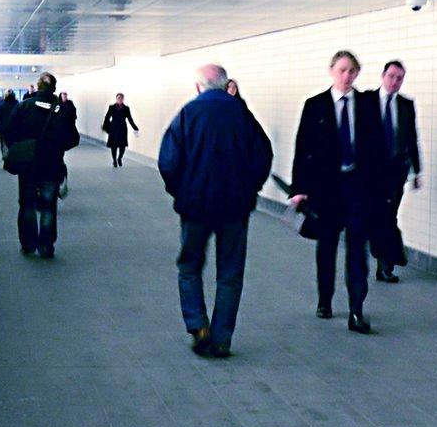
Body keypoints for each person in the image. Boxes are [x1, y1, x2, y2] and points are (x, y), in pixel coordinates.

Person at [158, 64, 272, 358]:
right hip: (235, 207)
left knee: (190, 266)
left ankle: (199, 326)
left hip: (195, 206)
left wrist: (181, 192)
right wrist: (249, 191)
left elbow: (168, 162)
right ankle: (222, 338)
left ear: (198, 86)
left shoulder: (187, 113)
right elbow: (263, 156)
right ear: (225, 85)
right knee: (230, 272)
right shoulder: (242, 114)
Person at [290, 50, 384, 334]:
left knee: (358, 248)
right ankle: (325, 299)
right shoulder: (315, 105)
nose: (347, 76)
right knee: (327, 245)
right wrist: (299, 189)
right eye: (342, 70)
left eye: (352, 71)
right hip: (325, 189)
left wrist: (380, 189)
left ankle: (357, 309)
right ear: (331, 71)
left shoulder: (368, 104)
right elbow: (302, 148)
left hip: (357, 188)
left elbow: (377, 148)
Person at [0, 74, 79, 258]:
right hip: (52, 164)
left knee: (27, 204)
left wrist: (21, 147)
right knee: (49, 206)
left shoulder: (24, 106)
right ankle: (46, 246)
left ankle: (28, 244)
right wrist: (57, 148)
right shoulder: (62, 110)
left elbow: (9, 132)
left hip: (28, 165)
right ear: (54, 88)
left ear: (38, 86)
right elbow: (73, 139)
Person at [369, 60, 421, 284]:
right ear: (383, 76)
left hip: (395, 172)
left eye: (399, 78)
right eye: (391, 76)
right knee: (376, 216)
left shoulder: (406, 105)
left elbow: (412, 139)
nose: (395, 82)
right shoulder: (366, 101)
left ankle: (385, 266)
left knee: (389, 215)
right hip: (370, 173)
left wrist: (417, 171)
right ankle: (392, 252)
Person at [101, 93, 140, 167]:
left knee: (122, 145)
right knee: (114, 145)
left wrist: (135, 127)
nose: (120, 99)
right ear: (116, 99)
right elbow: (107, 117)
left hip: (122, 128)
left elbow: (129, 119)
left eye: (121, 98)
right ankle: (114, 160)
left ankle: (119, 158)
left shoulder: (126, 108)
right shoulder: (111, 107)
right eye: (118, 98)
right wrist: (106, 127)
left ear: (123, 99)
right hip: (113, 128)